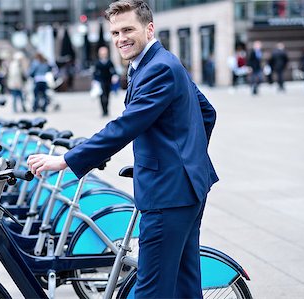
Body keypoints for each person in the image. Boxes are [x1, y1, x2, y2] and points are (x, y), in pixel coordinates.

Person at [27, 1, 218, 298]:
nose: (120, 39)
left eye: (128, 29)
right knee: (184, 284)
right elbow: (207, 112)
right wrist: (186, 158)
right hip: (186, 189)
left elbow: (126, 126)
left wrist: (66, 160)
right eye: (115, 32)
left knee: (150, 289)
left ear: (149, 28)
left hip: (168, 194)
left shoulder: (159, 68)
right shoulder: (161, 61)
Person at [93, 46, 117, 116]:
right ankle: (103, 110)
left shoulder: (109, 62)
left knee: (107, 95)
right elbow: (95, 73)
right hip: (101, 81)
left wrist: (114, 76)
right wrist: (95, 81)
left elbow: (113, 70)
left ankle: (106, 110)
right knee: (102, 96)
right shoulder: (97, 63)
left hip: (108, 81)